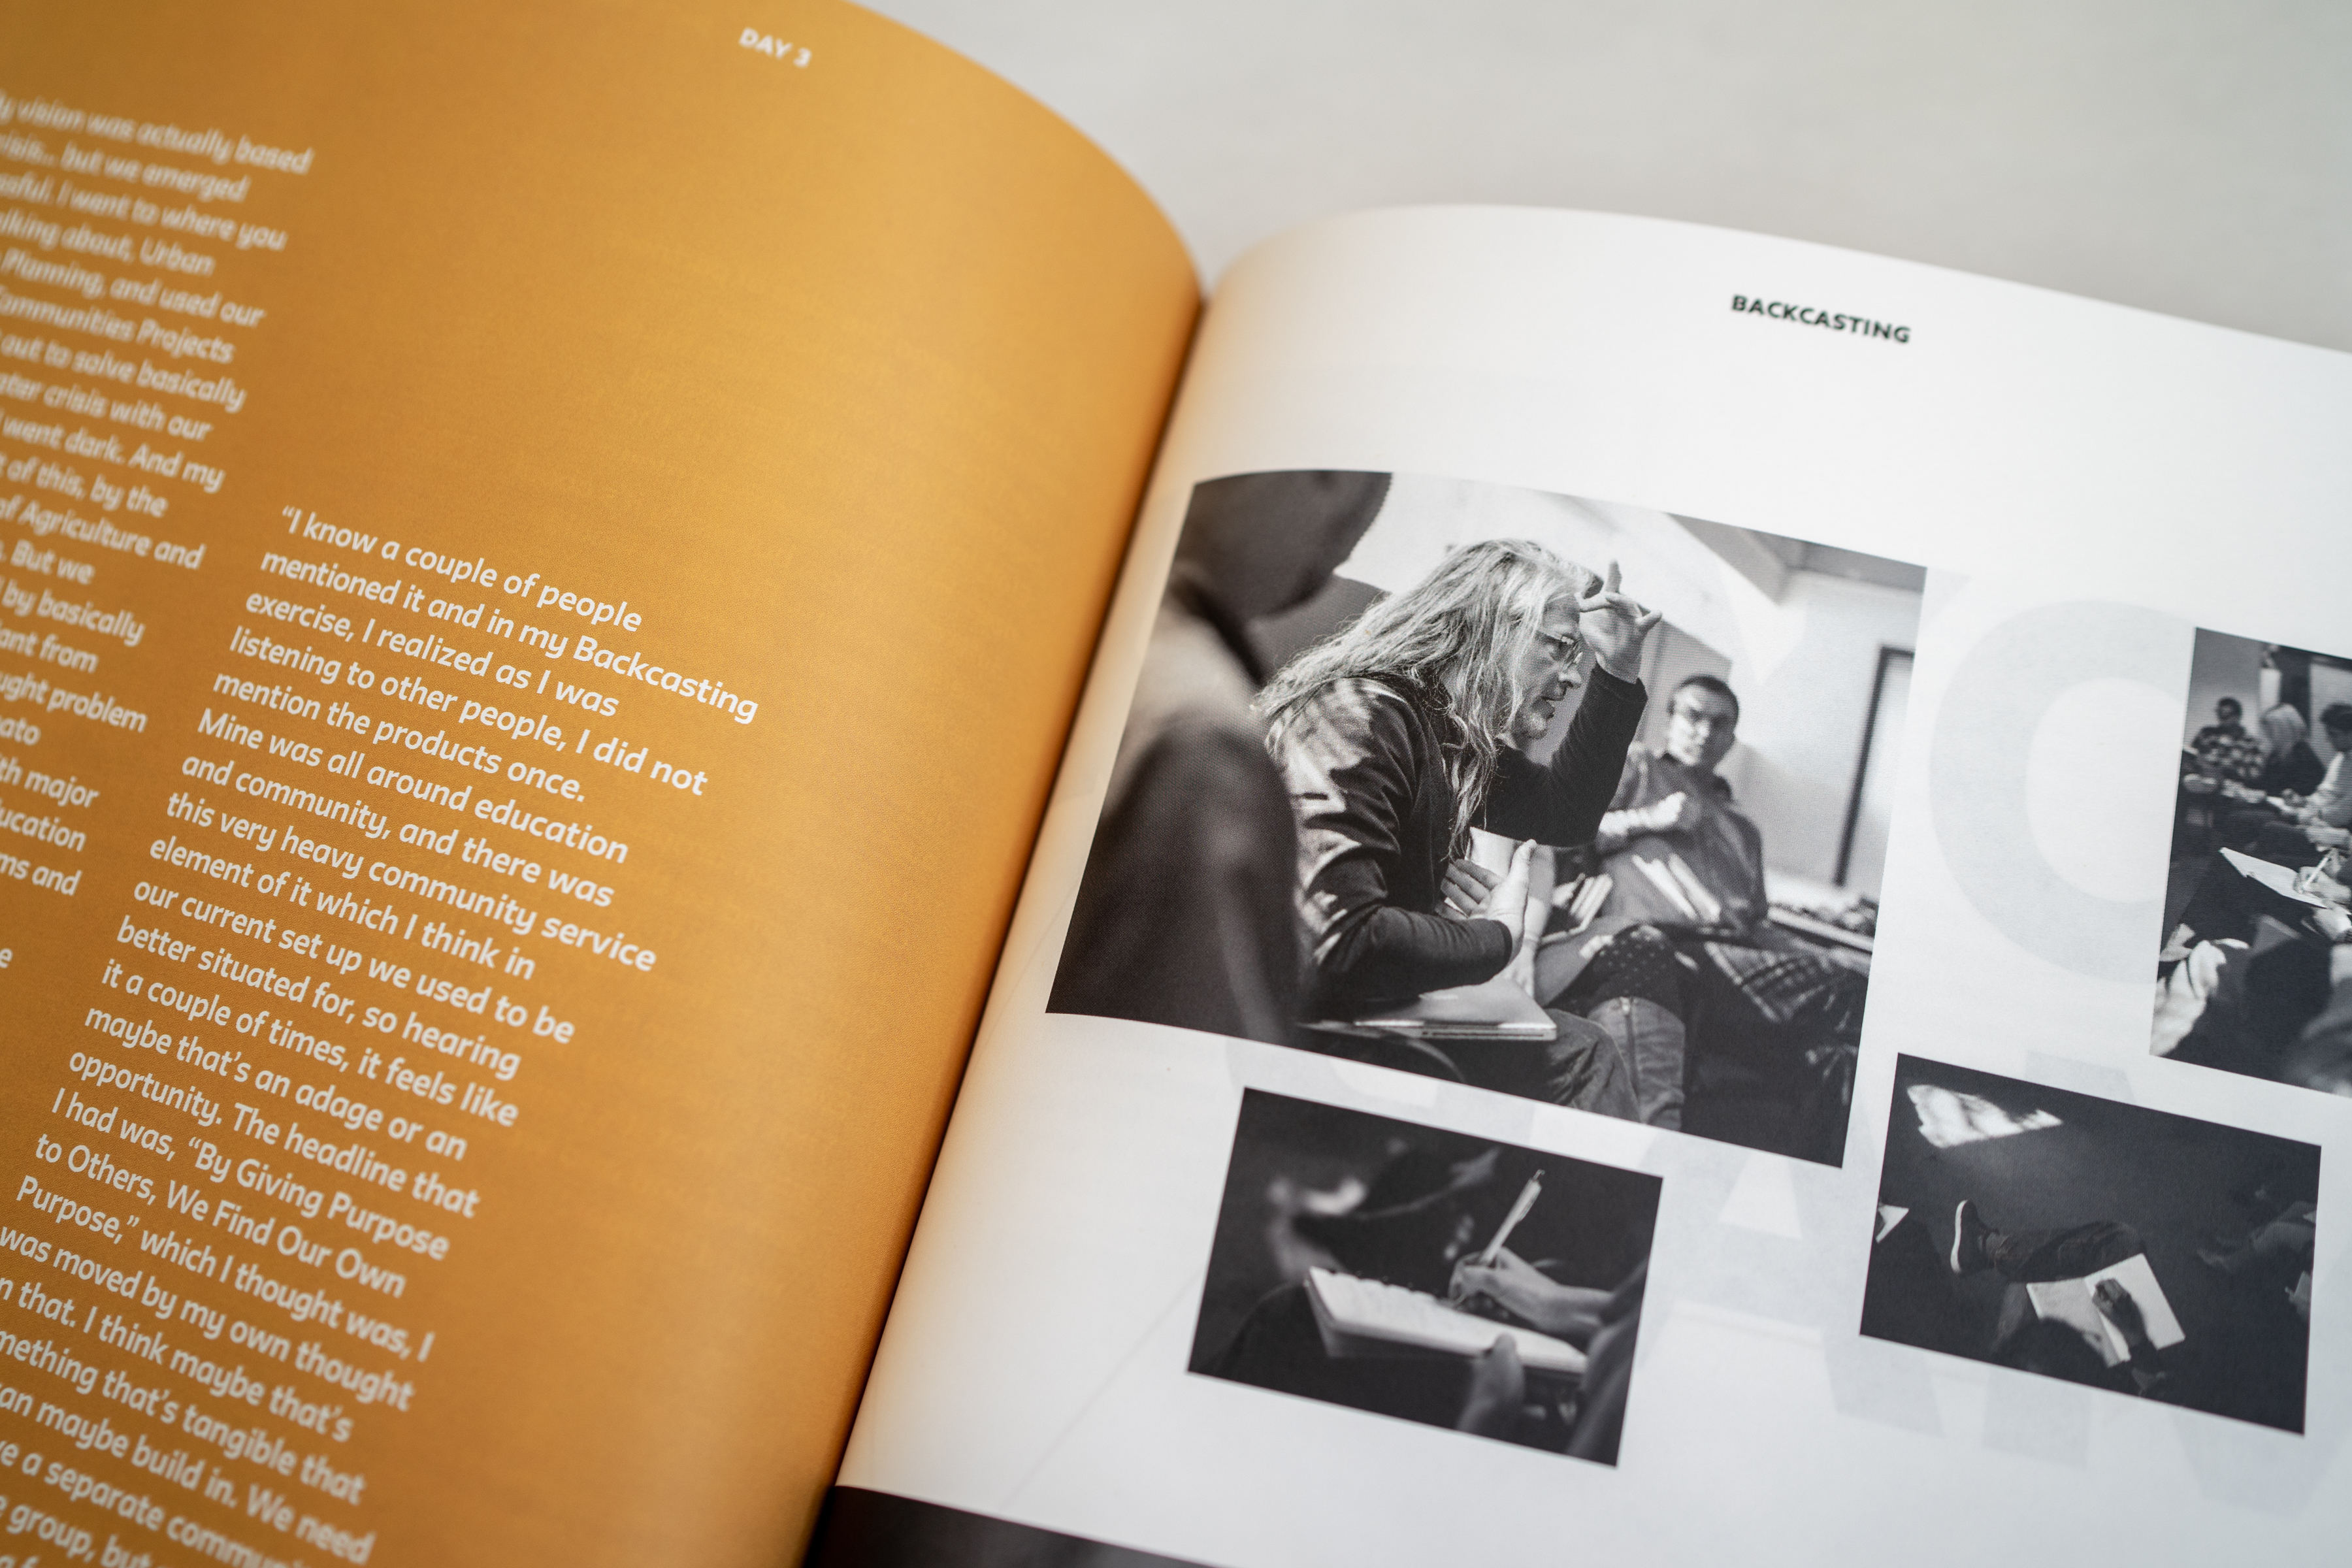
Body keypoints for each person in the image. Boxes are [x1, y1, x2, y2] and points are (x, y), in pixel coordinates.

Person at [1259, 539, 1661, 1111]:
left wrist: (1617, 670)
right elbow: (1341, 939)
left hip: (1352, 1010)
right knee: (1582, 1055)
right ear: (1491, 630)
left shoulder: (1442, 734)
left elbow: (1565, 812)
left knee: (1580, 1047)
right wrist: (1500, 935)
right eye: (1560, 648)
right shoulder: (1362, 714)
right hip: (1294, 1031)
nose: (1573, 676)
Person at [1048, 470, 1390, 1042]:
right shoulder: (1202, 738)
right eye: (1365, 493)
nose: (1347, 543)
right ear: (1324, 480)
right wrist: (1503, 935)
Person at [1542, 675, 1867, 1142]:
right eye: (1693, 716)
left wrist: (1826, 956)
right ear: (1669, 721)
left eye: (1720, 723)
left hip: (1737, 958)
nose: (1705, 731)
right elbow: (1564, 829)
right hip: (1666, 949)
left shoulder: (1742, 826)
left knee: (1841, 1057)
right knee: (1849, 990)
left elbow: (1757, 925)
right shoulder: (1639, 767)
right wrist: (1648, 819)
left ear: (1732, 738)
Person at [2191, 696, 2263, 785]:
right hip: (2202, 780)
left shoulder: (2250, 743)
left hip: (2231, 786)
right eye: (2219, 713)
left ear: (2237, 716)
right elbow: (2191, 755)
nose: (2221, 718)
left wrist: (2228, 769)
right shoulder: (2207, 734)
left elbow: (2255, 773)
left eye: (2226, 715)